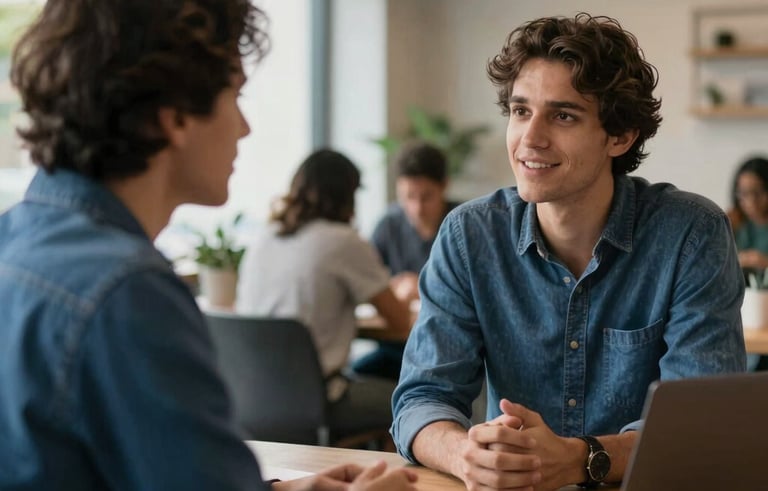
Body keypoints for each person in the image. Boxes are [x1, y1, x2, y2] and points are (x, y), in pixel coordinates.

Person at [0, 1, 417, 490]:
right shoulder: (129, 293)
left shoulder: (15, 239)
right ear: (176, 115)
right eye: (235, 96)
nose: (245, 127)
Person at [391, 12, 746, 491]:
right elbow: (420, 398)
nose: (529, 139)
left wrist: (582, 459)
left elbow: (700, 428)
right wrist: (464, 454)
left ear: (619, 137)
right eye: (520, 111)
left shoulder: (690, 234)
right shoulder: (469, 235)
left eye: (563, 115)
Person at [236, 149, 412, 428]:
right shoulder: (343, 242)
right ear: (348, 195)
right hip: (317, 401)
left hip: (252, 399)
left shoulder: (264, 238)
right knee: (412, 406)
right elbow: (400, 320)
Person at [352, 141, 459, 380]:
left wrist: (422, 286)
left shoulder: (462, 225)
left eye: (426, 197)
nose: (417, 208)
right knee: (356, 374)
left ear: (444, 187)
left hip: (446, 354)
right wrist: (395, 288)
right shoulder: (388, 225)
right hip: (394, 350)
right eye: (408, 197)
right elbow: (366, 284)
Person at [728, 156, 768, 371]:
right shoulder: (731, 222)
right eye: (744, 193)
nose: (751, 201)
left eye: (758, 192)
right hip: (742, 314)